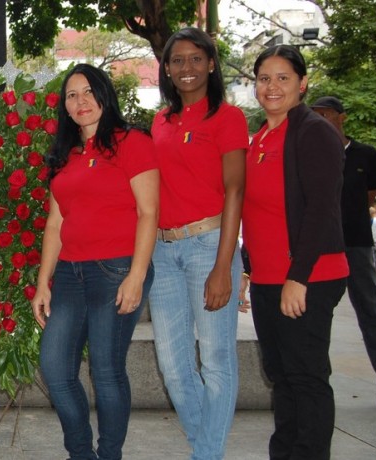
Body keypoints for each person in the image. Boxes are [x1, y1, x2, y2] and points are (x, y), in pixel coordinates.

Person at [31, 63, 159, 460]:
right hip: (69, 273)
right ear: (65, 107)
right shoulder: (64, 155)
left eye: (88, 92)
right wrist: (42, 283)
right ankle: (81, 453)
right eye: (72, 95)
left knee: (106, 372)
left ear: (105, 95)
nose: (81, 101)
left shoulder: (132, 142)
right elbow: (55, 222)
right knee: (55, 368)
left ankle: (110, 455)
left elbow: (148, 213)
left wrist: (136, 276)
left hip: (117, 269)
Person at [148, 27, 248, 460]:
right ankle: (208, 451)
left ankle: (205, 456)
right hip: (162, 251)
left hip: (210, 244)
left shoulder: (228, 118)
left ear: (210, 63)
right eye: (177, 61)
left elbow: (235, 192)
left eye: (195, 59)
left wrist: (224, 266)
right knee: (173, 368)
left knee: (217, 363)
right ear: (166, 69)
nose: (185, 68)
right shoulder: (161, 122)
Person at [244, 45, 348, 460]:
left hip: (308, 276)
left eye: (283, 78)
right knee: (281, 376)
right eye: (264, 78)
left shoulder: (312, 131)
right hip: (270, 277)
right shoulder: (261, 137)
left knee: (305, 378)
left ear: (302, 84)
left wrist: (298, 277)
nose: (272, 87)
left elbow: (322, 208)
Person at [309, 96, 376, 407]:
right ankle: (315, 383)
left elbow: (367, 195)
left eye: (326, 114)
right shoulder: (309, 154)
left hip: (356, 244)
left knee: (370, 311)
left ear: (342, 117)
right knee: (315, 316)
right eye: (316, 115)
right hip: (321, 245)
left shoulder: (365, 155)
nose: (321, 119)